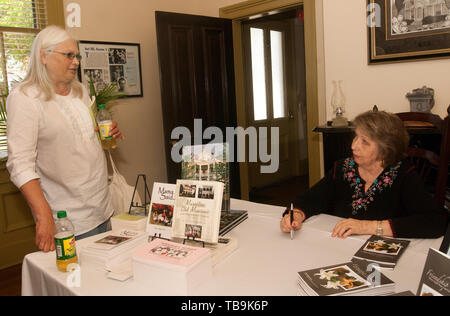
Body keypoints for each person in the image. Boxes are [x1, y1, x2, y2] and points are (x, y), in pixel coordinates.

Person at [6, 26, 125, 253]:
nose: (76, 61)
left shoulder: (79, 91)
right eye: (69, 55)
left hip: (103, 209)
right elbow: (20, 165)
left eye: (77, 55)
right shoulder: (24, 98)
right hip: (69, 221)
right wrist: (44, 217)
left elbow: (81, 138)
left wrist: (103, 133)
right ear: (43, 56)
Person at [280, 110, 448, 239]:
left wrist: (367, 227)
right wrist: (295, 215)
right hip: (339, 247)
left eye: (365, 142)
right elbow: (310, 200)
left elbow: (434, 222)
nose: (354, 146)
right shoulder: (343, 169)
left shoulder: (403, 174)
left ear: (385, 149)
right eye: (356, 138)